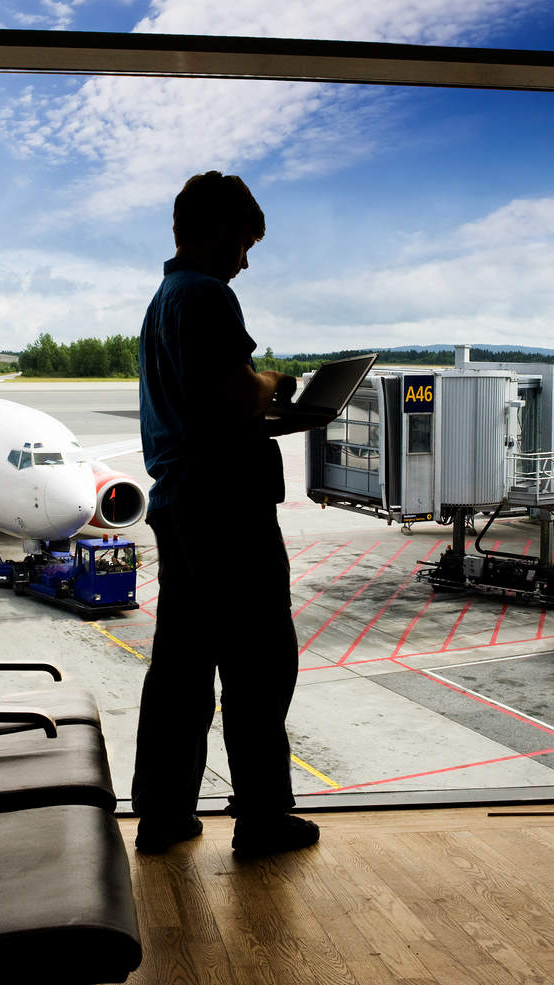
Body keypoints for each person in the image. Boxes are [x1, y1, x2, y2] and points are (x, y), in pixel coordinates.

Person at [130, 170, 320, 858]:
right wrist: (275, 383)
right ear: (216, 232)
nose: (244, 261)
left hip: (180, 503)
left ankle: (163, 812)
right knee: (260, 661)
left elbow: (202, 403)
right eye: (243, 243)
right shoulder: (206, 295)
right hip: (225, 507)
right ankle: (262, 818)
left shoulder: (163, 301)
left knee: (182, 667)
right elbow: (238, 393)